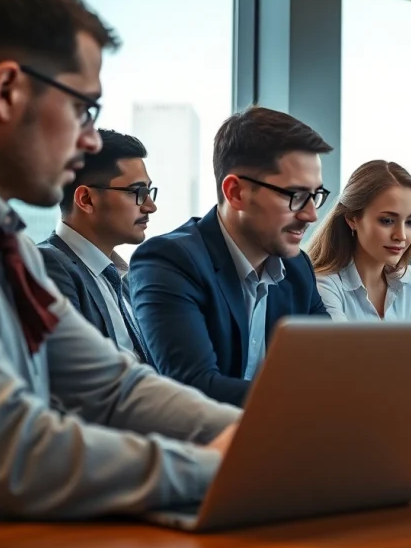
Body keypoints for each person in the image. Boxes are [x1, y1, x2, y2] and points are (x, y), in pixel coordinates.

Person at [0, 0, 238, 519]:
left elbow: (115, 387)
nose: (88, 140)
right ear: (7, 90)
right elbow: (13, 451)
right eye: (84, 108)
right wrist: (217, 465)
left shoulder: (0, 242)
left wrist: (259, 437)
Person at [128, 106, 332, 406]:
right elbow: (195, 389)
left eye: (315, 195)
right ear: (236, 193)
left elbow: (331, 370)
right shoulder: (168, 261)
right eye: (295, 196)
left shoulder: (297, 268)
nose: (312, 214)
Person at [38, 128, 158, 368]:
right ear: (86, 199)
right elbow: (77, 375)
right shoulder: (49, 266)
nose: (150, 206)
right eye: (138, 192)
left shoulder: (122, 280)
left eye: (149, 191)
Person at [309, 160, 411, 321]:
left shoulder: (410, 279)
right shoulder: (324, 285)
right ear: (352, 219)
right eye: (387, 221)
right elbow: (340, 347)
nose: (402, 236)